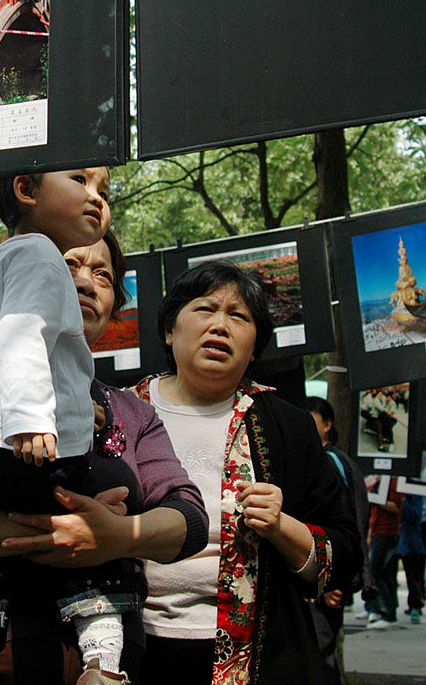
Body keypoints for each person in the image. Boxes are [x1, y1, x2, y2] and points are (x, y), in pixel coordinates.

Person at [0, 230, 208, 685]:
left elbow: (190, 520)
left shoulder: (132, 412)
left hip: (98, 664)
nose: (83, 282)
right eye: (67, 264)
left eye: (102, 274)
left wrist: (114, 535)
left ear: (115, 303)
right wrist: (66, 537)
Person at [0, 166, 142, 685]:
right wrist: (29, 419)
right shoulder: (40, 253)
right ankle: (102, 662)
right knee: (93, 549)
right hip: (20, 447)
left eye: (104, 191)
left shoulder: (0, 261)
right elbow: (22, 334)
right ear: (26, 189)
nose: (98, 199)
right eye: (82, 181)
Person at [133, 261, 362, 685]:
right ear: (169, 330)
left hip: (264, 657)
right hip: (131, 646)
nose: (220, 325)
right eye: (205, 309)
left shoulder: (289, 427)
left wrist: (282, 526)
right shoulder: (123, 413)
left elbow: (345, 555)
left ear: (255, 346)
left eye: (238, 316)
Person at [306, 396, 375, 683]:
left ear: (327, 425)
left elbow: (346, 526)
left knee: (320, 653)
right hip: (319, 577)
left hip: (326, 578)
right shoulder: (324, 460)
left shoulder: (331, 462)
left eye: (311, 421)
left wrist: (335, 580)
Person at [361, 477, 403, 629]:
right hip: (379, 531)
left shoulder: (393, 482)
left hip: (387, 531)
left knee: (376, 572)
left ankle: (387, 612)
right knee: (384, 574)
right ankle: (383, 610)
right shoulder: (379, 481)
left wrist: (378, 499)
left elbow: (397, 507)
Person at [396, 494, 425, 624]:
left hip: (414, 541)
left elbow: (414, 515)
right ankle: (414, 604)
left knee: (415, 574)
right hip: (406, 540)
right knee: (412, 573)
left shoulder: (416, 497)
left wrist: (404, 503)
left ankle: (416, 605)